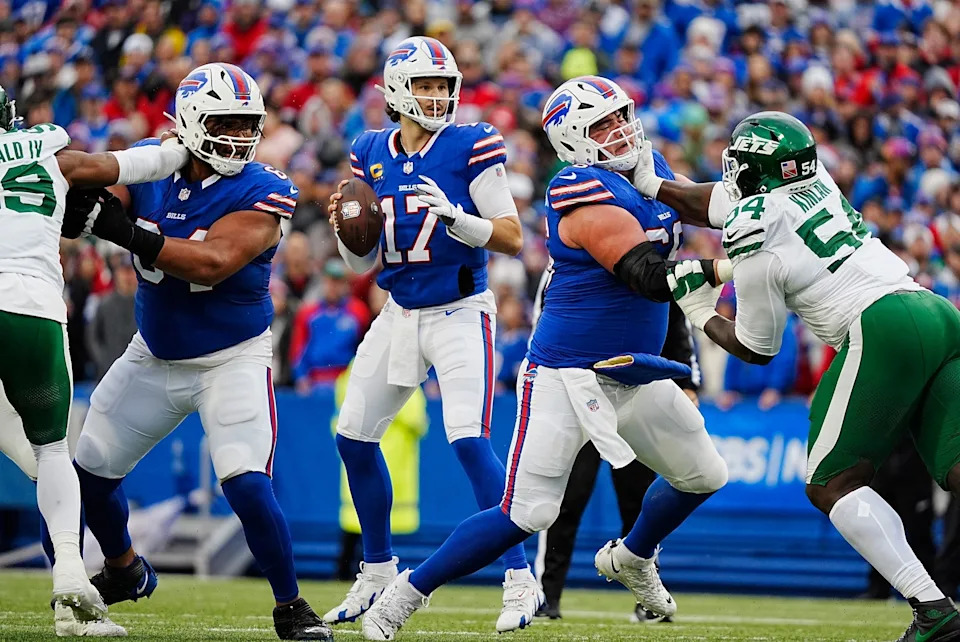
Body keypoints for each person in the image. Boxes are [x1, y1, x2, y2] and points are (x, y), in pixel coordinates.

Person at [361, 75, 730, 640]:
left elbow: (704, 205)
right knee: (527, 514)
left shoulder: (644, 169)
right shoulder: (577, 187)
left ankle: (632, 556)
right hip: (566, 374)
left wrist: (758, 211)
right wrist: (729, 267)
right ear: (574, 141)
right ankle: (406, 594)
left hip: (632, 372)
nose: (621, 130)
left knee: (704, 474)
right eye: (603, 125)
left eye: (622, 116)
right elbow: (647, 277)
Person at [648, 110, 960, 642]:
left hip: (880, 325)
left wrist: (699, 310)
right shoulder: (813, 181)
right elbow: (713, 203)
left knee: (831, 482)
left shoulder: (753, 228)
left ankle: (933, 610)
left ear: (754, 171)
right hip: (936, 312)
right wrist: (652, 182)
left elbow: (757, 347)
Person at [60, 63, 333, 641]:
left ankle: (290, 605)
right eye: (224, 122)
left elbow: (213, 261)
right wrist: (45, 169)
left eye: (246, 123)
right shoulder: (157, 161)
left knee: (246, 481)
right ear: (188, 123)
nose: (237, 135)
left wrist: (123, 231)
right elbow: (81, 169)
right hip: (154, 352)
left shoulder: (264, 186)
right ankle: (123, 568)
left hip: (231, 356)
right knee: (86, 474)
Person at [324, 36, 532, 632]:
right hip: (398, 312)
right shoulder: (368, 149)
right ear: (395, 90)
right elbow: (362, 265)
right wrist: (347, 229)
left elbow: (512, 237)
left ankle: (519, 575)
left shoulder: (471, 143)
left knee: (468, 438)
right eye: (425, 85)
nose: (437, 95)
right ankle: (376, 566)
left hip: (462, 310)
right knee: (354, 438)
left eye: (444, 84)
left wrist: (457, 218)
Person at [0, 81, 193, 637]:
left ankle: (71, 596)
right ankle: (68, 578)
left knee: (43, 461)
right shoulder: (42, 145)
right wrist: (182, 149)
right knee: (50, 454)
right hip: (31, 308)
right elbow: (120, 166)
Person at [535, 302, 700, 623]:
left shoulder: (653, 267)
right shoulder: (578, 264)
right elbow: (550, 317)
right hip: (580, 396)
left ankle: (647, 598)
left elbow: (676, 322)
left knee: (639, 505)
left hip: (635, 398)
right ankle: (546, 595)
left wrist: (688, 383)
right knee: (566, 501)